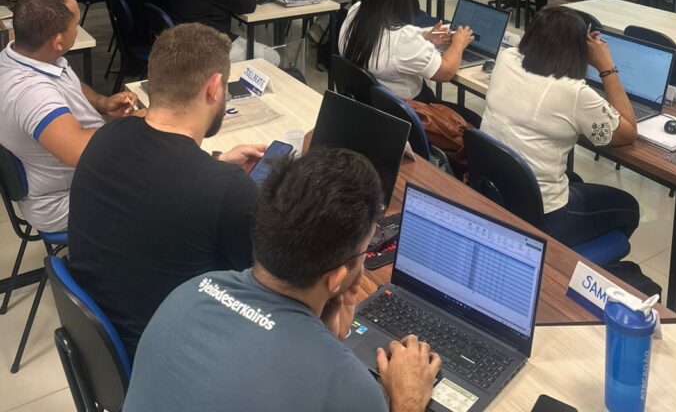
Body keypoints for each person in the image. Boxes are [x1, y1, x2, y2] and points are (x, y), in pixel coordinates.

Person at [123, 147, 441, 412]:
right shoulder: (347, 387)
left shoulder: (189, 292)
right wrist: (407, 401)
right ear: (336, 279)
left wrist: (324, 336)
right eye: (363, 252)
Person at [68, 23, 267, 360]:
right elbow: (275, 286)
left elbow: (160, 179)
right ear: (214, 87)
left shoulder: (108, 135)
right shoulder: (227, 191)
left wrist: (217, 164)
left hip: (107, 345)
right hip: (177, 360)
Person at [481, 7, 639, 247]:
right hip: (542, 215)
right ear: (578, 51)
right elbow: (628, 133)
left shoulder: (507, 58)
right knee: (629, 207)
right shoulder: (574, 92)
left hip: (496, 193)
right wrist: (606, 66)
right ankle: (571, 261)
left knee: (574, 178)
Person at [0, 0, 136, 233]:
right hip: (66, 199)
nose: (78, 28)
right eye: (76, 24)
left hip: (79, 177)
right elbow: (82, 152)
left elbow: (67, 81)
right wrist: (138, 123)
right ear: (58, 41)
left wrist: (102, 102)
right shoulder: (31, 93)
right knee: (166, 185)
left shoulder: (26, 55)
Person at [339, 0, 477, 111]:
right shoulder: (403, 38)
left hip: (372, 107)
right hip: (409, 110)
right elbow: (447, 72)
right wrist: (459, 42)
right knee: (472, 118)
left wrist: (426, 37)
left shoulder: (355, 12)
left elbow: (390, 45)